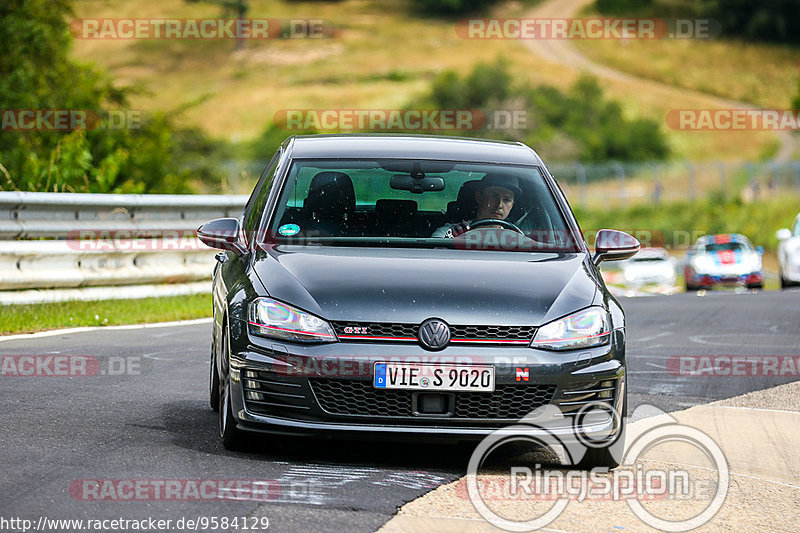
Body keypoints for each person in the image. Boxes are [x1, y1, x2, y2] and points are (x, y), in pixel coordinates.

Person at [433, 174, 522, 238]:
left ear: (512, 205)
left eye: (506, 200)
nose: (499, 205)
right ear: (479, 197)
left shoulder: (516, 239)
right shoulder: (451, 232)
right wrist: (450, 239)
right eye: (494, 196)